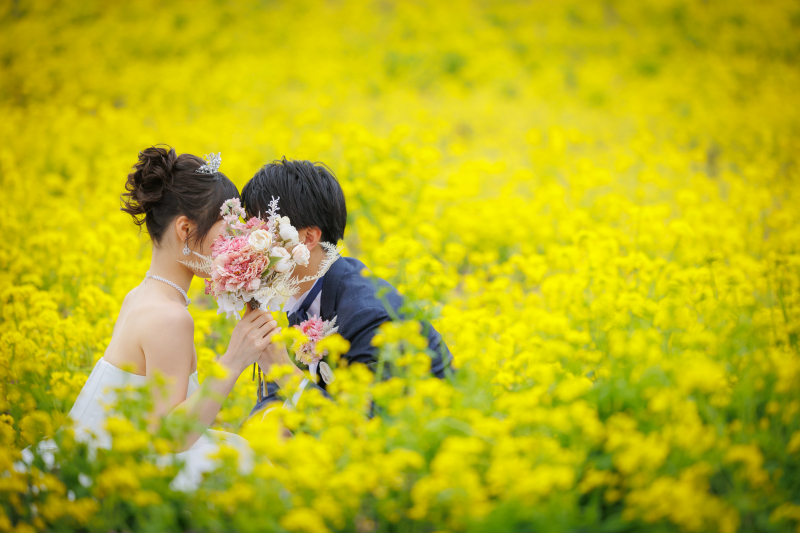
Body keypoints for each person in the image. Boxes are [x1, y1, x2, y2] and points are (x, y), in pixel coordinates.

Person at [60, 146, 288, 490]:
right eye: (226, 233)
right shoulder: (169, 317)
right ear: (185, 229)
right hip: (120, 478)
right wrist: (234, 360)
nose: (234, 246)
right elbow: (168, 443)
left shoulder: (141, 295)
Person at [242, 157, 453, 418]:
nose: (248, 245)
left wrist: (283, 368)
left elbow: (370, 426)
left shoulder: (368, 315)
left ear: (308, 238)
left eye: (262, 232)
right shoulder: (301, 294)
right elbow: (276, 397)